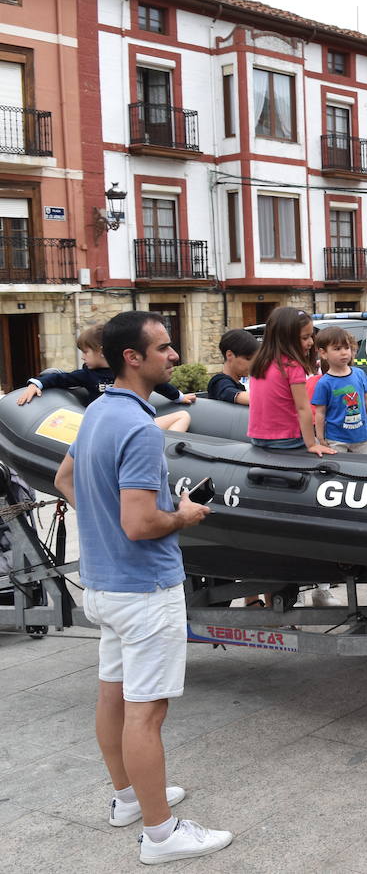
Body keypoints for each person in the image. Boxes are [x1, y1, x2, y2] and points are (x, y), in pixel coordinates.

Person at [52, 311, 230, 864]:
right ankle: (161, 834)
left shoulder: (98, 411)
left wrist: (106, 523)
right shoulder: (136, 429)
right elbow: (139, 523)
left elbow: (63, 479)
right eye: (165, 348)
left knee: (113, 695)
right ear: (134, 357)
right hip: (145, 587)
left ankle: (129, 799)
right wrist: (183, 514)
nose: (174, 357)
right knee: (146, 712)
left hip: (104, 586)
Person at [16, 322, 194, 432]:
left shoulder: (126, 372)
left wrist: (179, 397)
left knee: (183, 416)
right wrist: (36, 384)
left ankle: (167, 448)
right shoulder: (88, 374)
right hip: (110, 426)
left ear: (101, 352)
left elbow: (160, 384)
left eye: (85, 352)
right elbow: (60, 378)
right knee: (182, 417)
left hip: (134, 422)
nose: (83, 357)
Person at [247, 308, 333, 457]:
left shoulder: (260, 362)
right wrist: (312, 443)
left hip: (258, 437)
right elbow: (302, 408)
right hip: (287, 438)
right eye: (305, 338)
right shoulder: (291, 366)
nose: (311, 342)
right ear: (286, 339)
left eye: (311, 336)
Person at [310, 326, 367, 454]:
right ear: (323, 353)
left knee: (362, 470)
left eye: (346, 348)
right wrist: (320, 437)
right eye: (337, 349)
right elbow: (320, 413)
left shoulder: (359, 374)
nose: (344, 352)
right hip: (336, 439)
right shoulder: (324, 383)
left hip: (361, 435)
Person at [207, 329, 256, 405]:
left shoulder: (239, 385)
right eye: (248, 359)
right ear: (229, 355)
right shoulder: (219, 381)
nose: (253, 364)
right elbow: (229, 393)